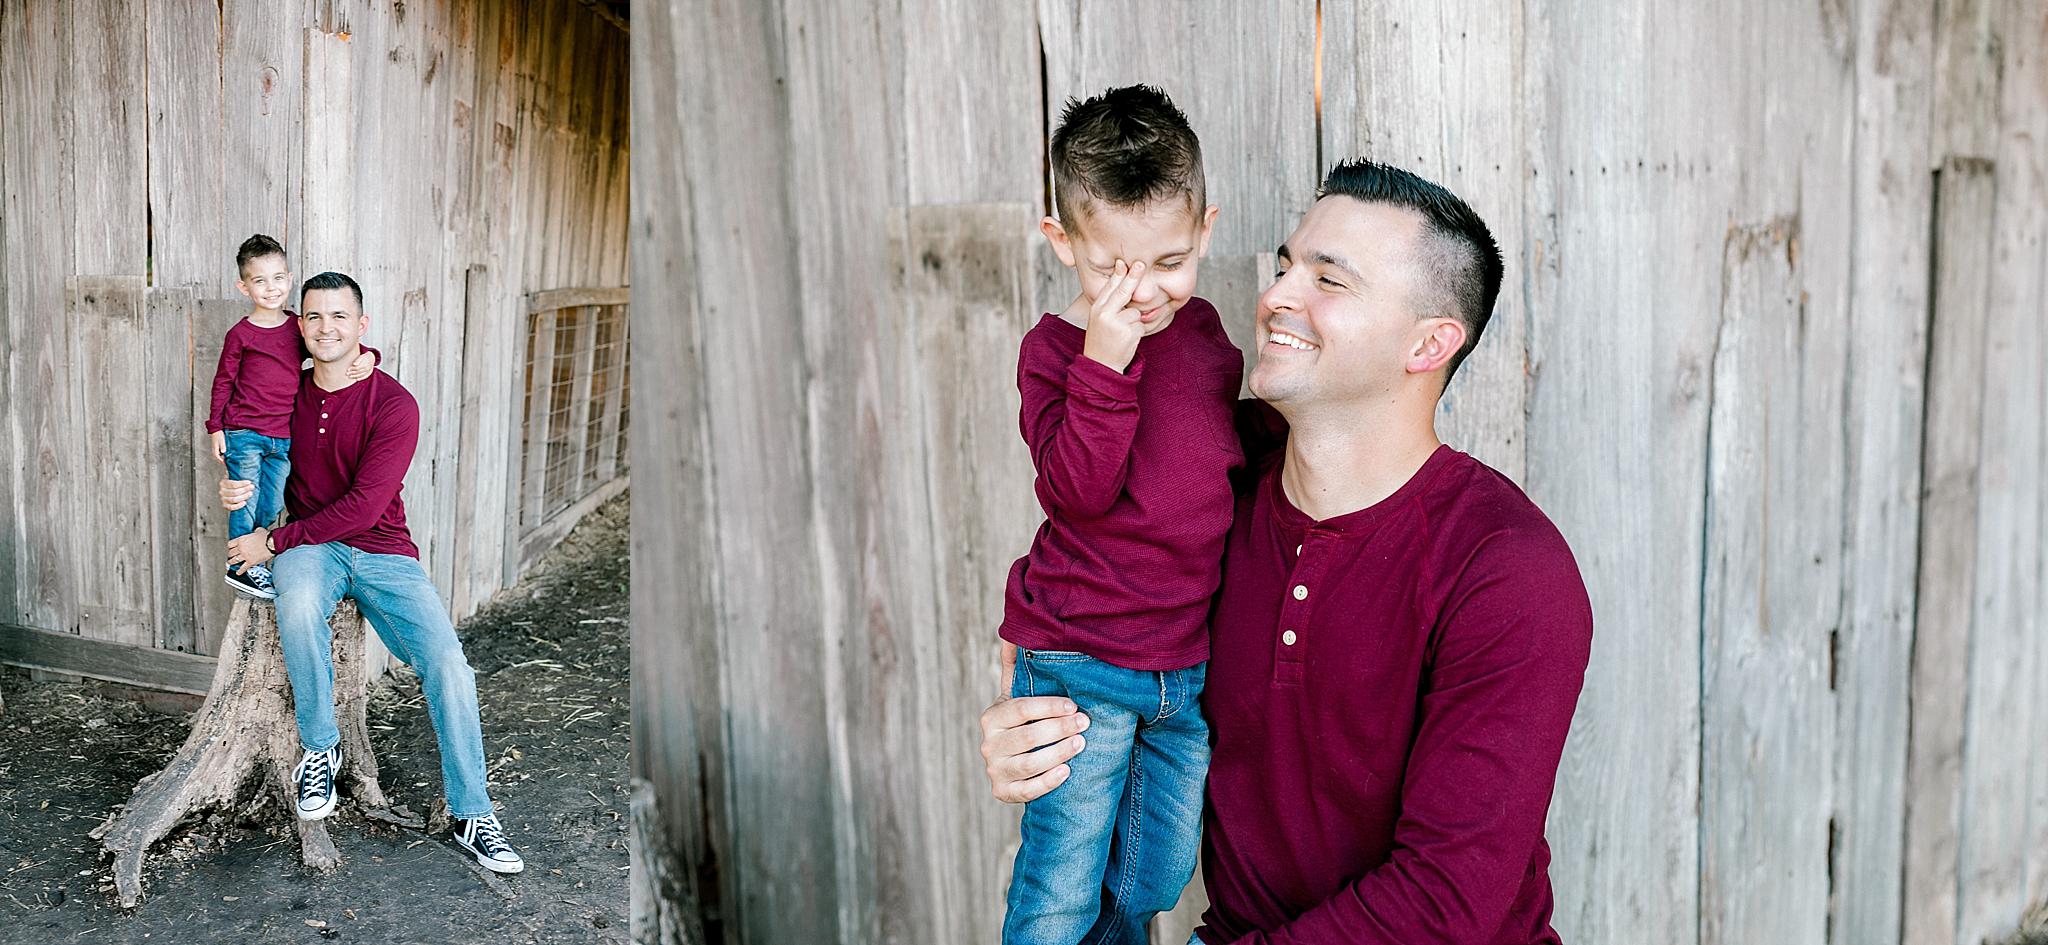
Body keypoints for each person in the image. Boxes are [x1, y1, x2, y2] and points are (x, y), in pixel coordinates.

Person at [981, 160, 1595, 944]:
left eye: (1327, 280)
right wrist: (1032, 736)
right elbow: (1074, 620)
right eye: (1283, 265)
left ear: (1430, 342)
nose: (1274, 296)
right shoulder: (1206, 498)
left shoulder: (1508, 570)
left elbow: (1443, 903)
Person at [996, 84, 1239, 945]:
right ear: (1065, 244)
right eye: (1112, 269)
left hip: (1181, 667)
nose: (1142, 293)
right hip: (1082, 658)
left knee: (1156, 871)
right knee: (1064, 877)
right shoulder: (1057, 352)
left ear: (1205, 230)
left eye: (1169, 262)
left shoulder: (1207, 338)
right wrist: (1105, 361)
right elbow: (1076, 488)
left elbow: (1218, 472)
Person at [220, 271, 524, 875]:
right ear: (298, 326)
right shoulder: (289, 396)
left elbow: (363, 504)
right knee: (297, 602)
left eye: (339, 317)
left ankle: (471, 811)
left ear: (362, 326)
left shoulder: (394, 403)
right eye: (313, 317)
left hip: (383, 550)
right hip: (314, 546)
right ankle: (322, 746)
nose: (326, 328)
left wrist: (271, 539)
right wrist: (239, 489)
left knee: (449, 665)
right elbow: (249, 436)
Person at [205, 234, 375, 600]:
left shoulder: (298, 327)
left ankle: (255, 553)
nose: (271, 288)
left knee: (272, 501)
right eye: (260, 280)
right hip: (245, 431)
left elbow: (332, 345)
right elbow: (223, 382)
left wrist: (370, 355)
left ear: (290, 278)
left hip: (283, 436)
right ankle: (239, 567)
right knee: (244, 498)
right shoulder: (241, 335)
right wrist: (215, 428)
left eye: (278, 278)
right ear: (244, 286)